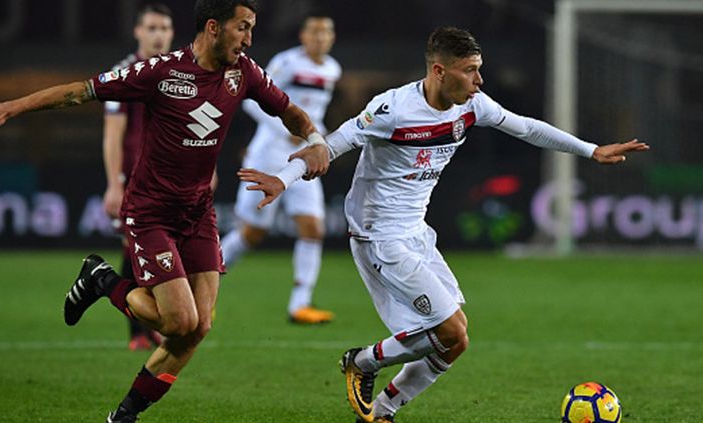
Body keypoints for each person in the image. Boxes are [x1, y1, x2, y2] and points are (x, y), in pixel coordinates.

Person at [237, 26, 649, 422]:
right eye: (470, 70)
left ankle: (381, 411)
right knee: (448, 327)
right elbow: (330, 145)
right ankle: (362, 362)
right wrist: (284, 177)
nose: (479, 80)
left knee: (457, 341)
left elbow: (526, 127)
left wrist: (591, 149)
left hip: (416, 233)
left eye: (479, 68)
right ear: (439, 71)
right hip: (379, 234)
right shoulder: (391, 109)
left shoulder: (472, 106)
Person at [0, 0, 330, 421]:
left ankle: (124, 415)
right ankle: (102, 280)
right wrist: (11, 107)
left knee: (199, 327)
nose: (248, 38)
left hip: (198, 213)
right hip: (150, 213)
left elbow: (289, 111)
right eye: (242, 28)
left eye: (251, 29)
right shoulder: (160, 72)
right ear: (213, 27)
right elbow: (82, 90)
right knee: (177, 322)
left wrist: (316, 139)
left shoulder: (243, 72)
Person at [220, 14, 341, 324]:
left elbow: (316, 112)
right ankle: (203, 286)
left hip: (303, 157)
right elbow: (250, 101)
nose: (320, 38)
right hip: (268, 154)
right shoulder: (285, 63)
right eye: (314, 32)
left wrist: (319, 137)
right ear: (303, 36)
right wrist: (282, 130)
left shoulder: (332, 69)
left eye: (326, 32)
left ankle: (300, 304)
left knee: (314, 228)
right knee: (252, 233)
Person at [103, 3, 174, 351]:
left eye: (164, 27)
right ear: (138, 32)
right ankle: (138, 333)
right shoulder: (124, 74)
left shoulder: (181, 73)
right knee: (134, 251)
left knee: (161, 253)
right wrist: (114, 183)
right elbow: (113, 134)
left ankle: (150, 324)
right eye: (151, 28)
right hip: (136, 180)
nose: (158, 34)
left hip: (173, 180)